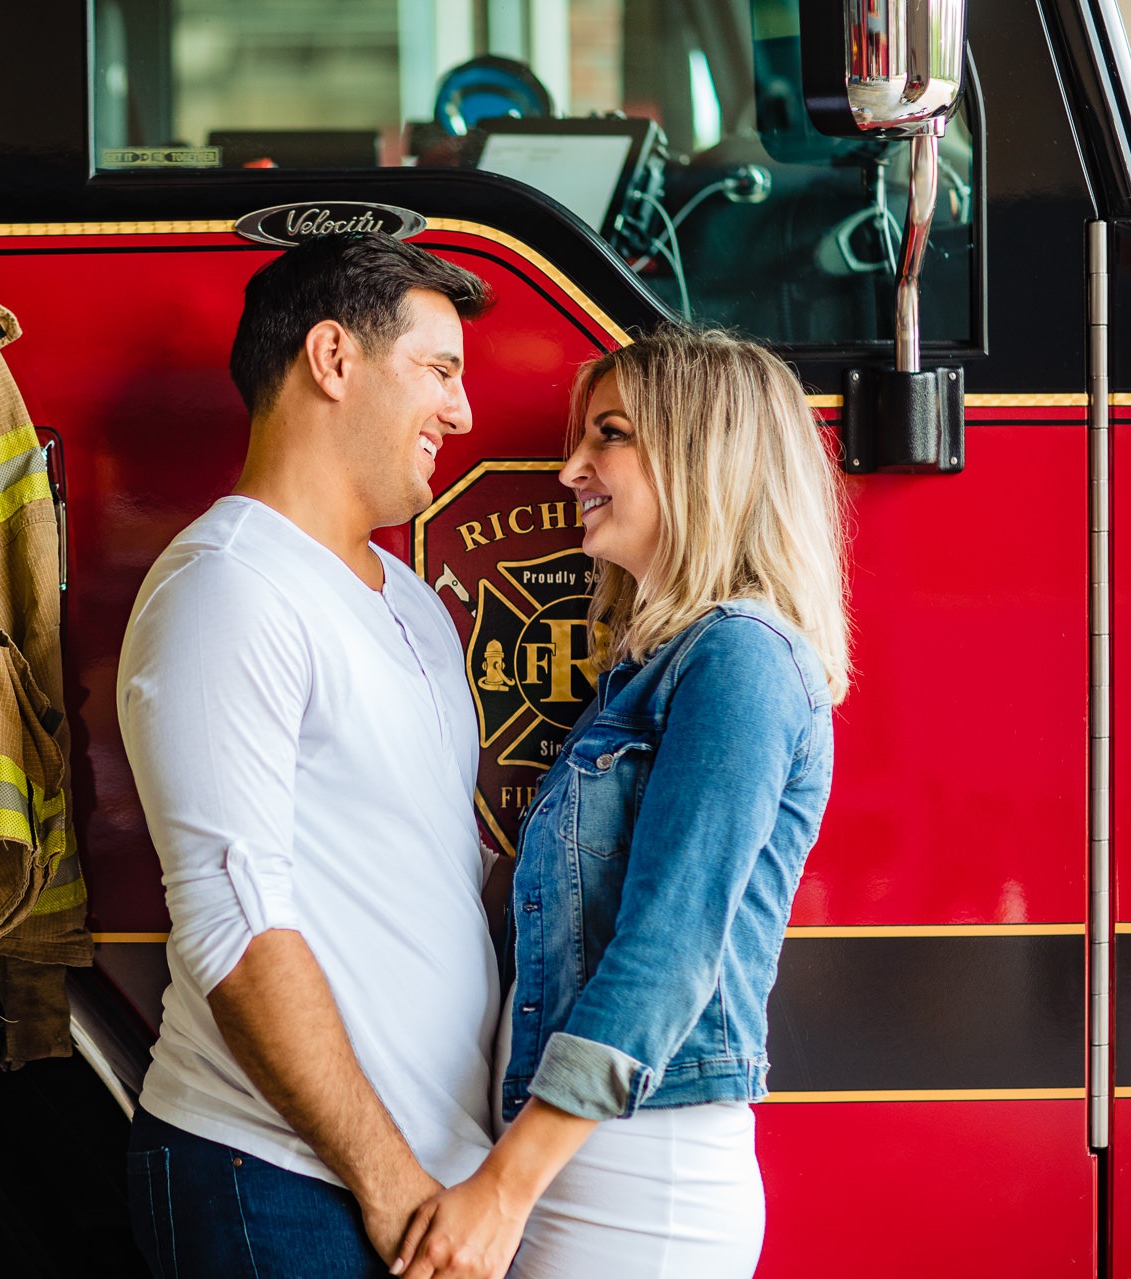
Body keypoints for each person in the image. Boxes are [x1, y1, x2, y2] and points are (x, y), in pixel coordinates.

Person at [392, 328, 850, 1279]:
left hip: (644, 1178)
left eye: (610, 436)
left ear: (701, 453)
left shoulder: (741, 659)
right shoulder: (652, 668)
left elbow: (670, 950)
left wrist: (505, 1189)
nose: (571, 469)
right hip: (577, 1157)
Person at [116, 232, 497, 1278]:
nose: (461, 413)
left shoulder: (412, 602)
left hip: (416, 1186)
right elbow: (236, 922)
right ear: (334, 359)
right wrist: (390, 1184)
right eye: (440, 369)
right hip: (284, 1182)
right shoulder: (229, 586)